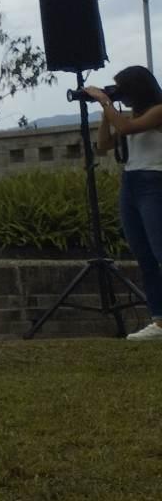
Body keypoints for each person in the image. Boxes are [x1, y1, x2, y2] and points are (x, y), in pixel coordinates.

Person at [85, 68, 162, 341]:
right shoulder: (130, 115)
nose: (121, 96)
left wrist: (106, 102)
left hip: (155, 183)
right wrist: (105, 109)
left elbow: (127, 129)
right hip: (131, 184)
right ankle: (159, 321)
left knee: (160, 251)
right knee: (145, 256)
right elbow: (103, 145)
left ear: (137, 88)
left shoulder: (158, 110)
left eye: (122, 89)